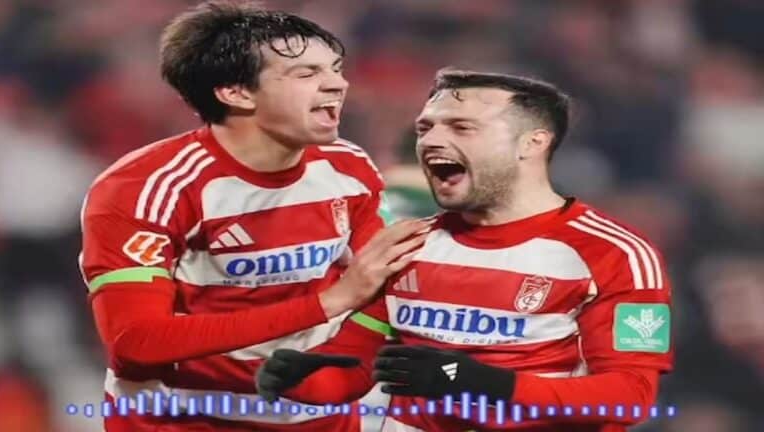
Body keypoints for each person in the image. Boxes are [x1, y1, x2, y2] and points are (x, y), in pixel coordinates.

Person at [257, 70, 674, 431]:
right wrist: (301, 379)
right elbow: (357, 363)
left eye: (461, 127)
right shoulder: (407, 244)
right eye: (426, 128)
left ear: (532, 142)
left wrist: (481, 382)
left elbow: (629, 396)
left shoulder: (615, 253)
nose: (432, 142)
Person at [78, 2, 429, 431]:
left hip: (318, 419)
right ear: (236, 92)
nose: (338, 84)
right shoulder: (145, 188)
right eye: (306, 74)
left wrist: (340, 376)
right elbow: (135, 342)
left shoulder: (348, 167)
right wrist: (327, 304)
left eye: (335, 69)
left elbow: (384, 282)